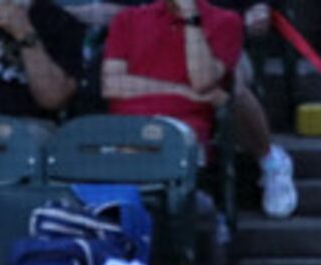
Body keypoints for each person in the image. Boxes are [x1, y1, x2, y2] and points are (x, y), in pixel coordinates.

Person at [101, 0, 300, 218]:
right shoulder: (127, 19)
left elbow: (202, 81)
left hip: (180, 129)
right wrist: (178, 89)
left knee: (233, 88)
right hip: (123, 129)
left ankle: (269, 160)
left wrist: (191, 19)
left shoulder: (224, 22)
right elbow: (111, 85)